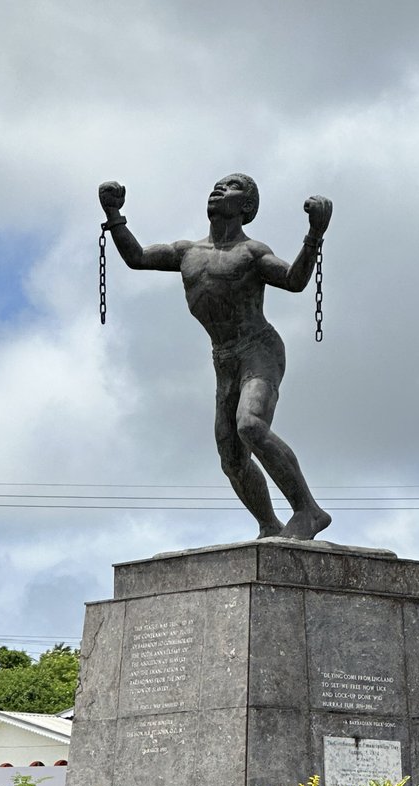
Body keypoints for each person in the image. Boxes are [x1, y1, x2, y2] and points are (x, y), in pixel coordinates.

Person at [98, 173, 332, 539]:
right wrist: (114, 215)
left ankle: (308, 510)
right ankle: (269, 526)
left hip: (259, 350)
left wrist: (314, 235)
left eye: (233, 186)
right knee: (232, 458)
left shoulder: (251, 253)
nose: (219, 188)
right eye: (217, 185)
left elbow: (294, 280)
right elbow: (138, 257)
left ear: (246, 207)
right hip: (223, 358)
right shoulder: (187, 253)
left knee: (250, 425)